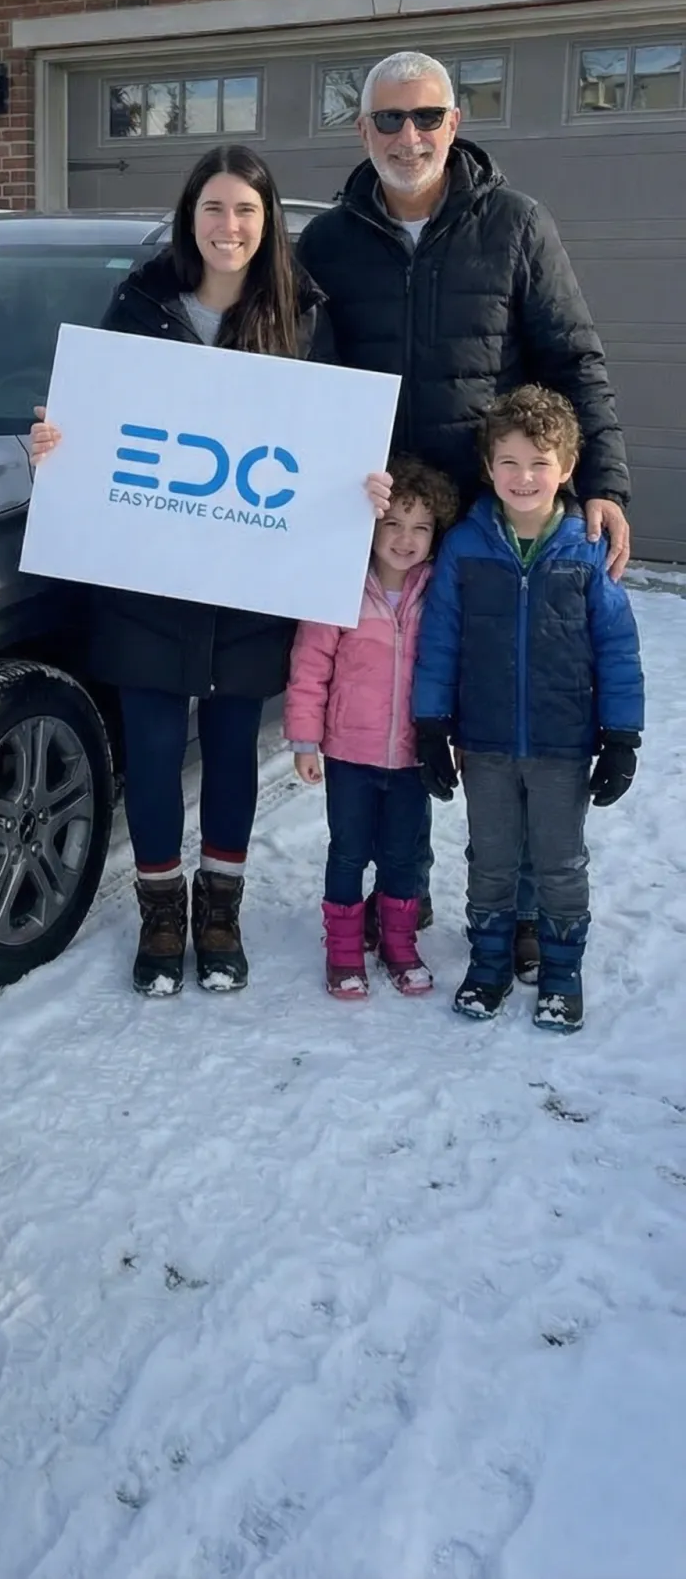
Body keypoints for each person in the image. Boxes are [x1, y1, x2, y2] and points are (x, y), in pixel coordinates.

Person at [29, 143, 390, 999]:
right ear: (190, 216)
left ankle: (219, 912)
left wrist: (362, 485)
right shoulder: (140, 304)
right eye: (214, 208)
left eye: (246, 211)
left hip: (252, 581)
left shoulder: (304, 316)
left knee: (230, 753)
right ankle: (161, 913)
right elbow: (99, 426)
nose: (230, 227)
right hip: (148, 579)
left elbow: (329, 441)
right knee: (155, 754)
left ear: (269, 224)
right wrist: (54, 446)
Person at [294, 48, 634, 957]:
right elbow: (298, 377)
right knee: (388, 710)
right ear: (363, 130)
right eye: (390, 119)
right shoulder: (327, 244)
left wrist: (601, 481)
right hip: (382, 526)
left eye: (426, 117)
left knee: (498, 718)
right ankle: (394, 890)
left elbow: (573, 358)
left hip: (491, 521)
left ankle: (514, 906)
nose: (409, 136)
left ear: (455, 123)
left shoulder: (515, 223)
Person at [412, 386, 644, 1032]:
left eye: (540, 462)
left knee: (559, 861)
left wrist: (622, 736)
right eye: (509, 462)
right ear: (488, 467)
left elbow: (617, 647)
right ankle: (488, 964)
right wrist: (431, 725)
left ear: (567, 468)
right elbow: (439, 640)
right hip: (484, 741)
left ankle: (562, 972)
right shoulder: (465, 546)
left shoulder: (586, 547)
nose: (524, 477)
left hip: (561, 743)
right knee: (489, 858)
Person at [285, 457, 459, 999]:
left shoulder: (440, 594)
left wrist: (453, 738)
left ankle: (398, 944)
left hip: (411, 756)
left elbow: (454, 669)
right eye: (395, 524)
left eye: (421, 527)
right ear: (372, 526)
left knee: (402, 854)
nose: (406, 539)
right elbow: (310, 668)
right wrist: (305, 739)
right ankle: (343, 949)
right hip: (349, 753)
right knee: (348, 850)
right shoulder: (343, 589)